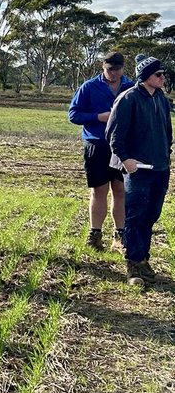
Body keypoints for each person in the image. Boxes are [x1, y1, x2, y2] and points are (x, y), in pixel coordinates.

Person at [106, 55, 172, 286]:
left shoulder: (162, 99)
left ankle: (143, 259)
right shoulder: (129, 98)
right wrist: (125, 160)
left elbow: (167, 132)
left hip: (160, 168)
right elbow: (113, 134)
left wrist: (167, 155)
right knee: (135, 215)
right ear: (146, 76)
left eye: (164, 74)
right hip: (138, 170)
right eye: (158, 74)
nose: (163, 78)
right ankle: (133, 264)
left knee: (151, 215)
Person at [68, 50, 133, 250]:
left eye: (118, 69)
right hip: (96, 145)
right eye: (109, 69)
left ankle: (119, 235)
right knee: (99, 191)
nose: (114, 73)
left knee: (120, 190)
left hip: (122, 147)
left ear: (123, 68)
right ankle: (95, 234)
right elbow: (73, 115)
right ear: (103, 67)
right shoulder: (88, 87)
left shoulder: (131, 87)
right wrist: (98, 117)